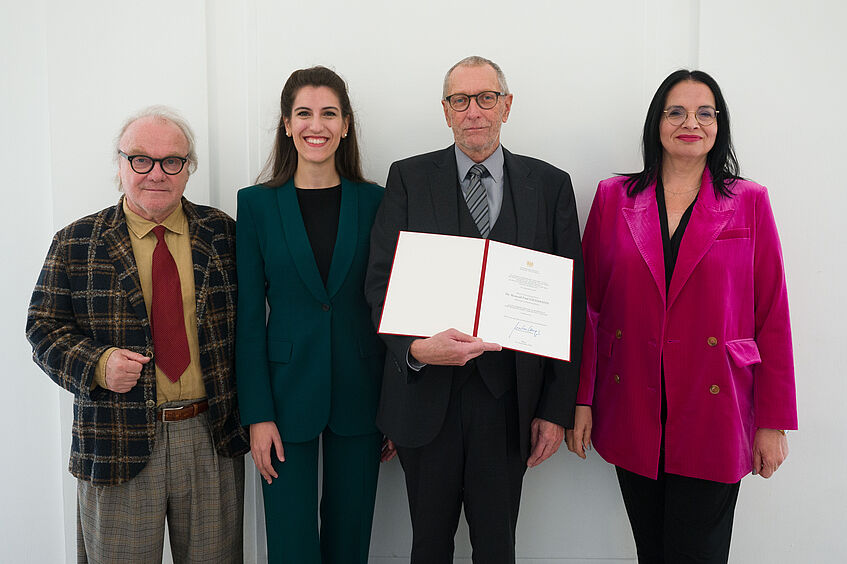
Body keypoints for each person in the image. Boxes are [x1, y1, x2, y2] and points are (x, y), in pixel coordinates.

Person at [567, 69, 797, 563]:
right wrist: (580, 399)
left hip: (716, 406)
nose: (690, 122)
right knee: (652, 553)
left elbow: (771, 314)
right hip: (631, 402)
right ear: (657, 123)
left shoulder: (749, 201)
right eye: (676, 111)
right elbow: (589, 307)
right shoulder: (614, 197)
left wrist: (772, 422)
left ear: (719, 125)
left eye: (704, 112)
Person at [365, 55, 586, 564]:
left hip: (509, 403)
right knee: (428, 547)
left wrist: (554, 410)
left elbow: (569, 304)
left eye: (486, 98)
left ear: (506, 106)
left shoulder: (549, 185)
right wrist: (415, 350)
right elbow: (380, 281)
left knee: (497, 548)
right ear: (445, 112)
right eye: (460, 101)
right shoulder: (408, 178)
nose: (474, 112)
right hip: (425, 402)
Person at [26, 106, 249, 562]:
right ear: (121, 164)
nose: (157, 173)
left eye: (173, 161)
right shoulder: (77, 241)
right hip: (115, 441)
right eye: (141, 159)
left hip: (210, 437)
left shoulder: (225, 234)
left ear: (189, 169)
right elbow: (42, 329)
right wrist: (97, 364)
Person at [235, 66, 389, 564]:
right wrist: (257, 414)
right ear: (286, 124)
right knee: (290, 542)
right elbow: (246, 320)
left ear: (345, 125)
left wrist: (394, 409)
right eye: (303, 113)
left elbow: (390, 308)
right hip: (283, 399)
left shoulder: (378, 201)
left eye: (328, 113)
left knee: (351, 539)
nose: (315, 125)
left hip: (361, 395)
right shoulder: (256, 205)